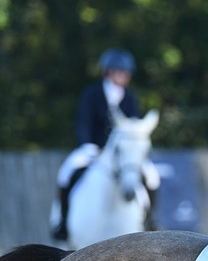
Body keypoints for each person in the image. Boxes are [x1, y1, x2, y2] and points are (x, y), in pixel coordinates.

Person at [52, 48, 161, 241]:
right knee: (67, 171)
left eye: (127, 73)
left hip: (124, 154)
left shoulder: (130, 97)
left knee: (152, 176)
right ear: (108, 72)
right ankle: (62, 220)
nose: (124, 76)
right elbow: (84, 122)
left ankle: (150, 220)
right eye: (120, 72)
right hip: (94, 148)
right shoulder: (92, 94)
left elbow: (134, 126)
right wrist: (88, 144)